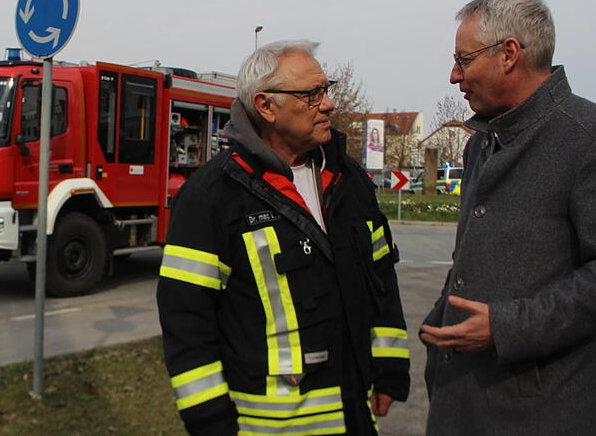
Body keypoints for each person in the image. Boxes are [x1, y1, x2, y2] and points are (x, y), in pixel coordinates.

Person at [420, 0, 596, 435]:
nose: (454, 76)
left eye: (463, 60)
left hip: (542, 414)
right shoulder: (482, 143)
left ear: (508, 54)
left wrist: (508, 327)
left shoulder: (593, 138)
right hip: (461, 401)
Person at [157, 40, 409, 435]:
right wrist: (208, 420)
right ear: (266, 106)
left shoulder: (350, 182)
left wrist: (390, 368)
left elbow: (381, 281)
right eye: (312, 94)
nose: (329, 104)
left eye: (327, 89)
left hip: (356, 419)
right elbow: (186, 319)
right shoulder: (213, 195)